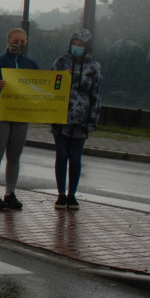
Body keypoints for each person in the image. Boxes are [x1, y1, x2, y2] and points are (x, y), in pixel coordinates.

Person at [0, 28, 38, 211]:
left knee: (15, 155)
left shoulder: (30, 65)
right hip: (0, 112)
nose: (19, 44)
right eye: (16, 40)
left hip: (21, 113)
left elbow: (40, 86)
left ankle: (10, 193)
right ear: (8, 41)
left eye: (22, 41)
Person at [50, 29, 102, 210]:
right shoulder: (60, 62)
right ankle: (60, 194)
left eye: (81, 45)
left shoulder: (94, 67)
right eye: (75, 44)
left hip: (81, 119)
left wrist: (92, 119)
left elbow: (96, 94)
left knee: (75, 157)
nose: (77, 48)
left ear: (87, 47)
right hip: (61, 117)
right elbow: (51, 86)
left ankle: (72, 194)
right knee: (62, 155)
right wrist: (64, 76)